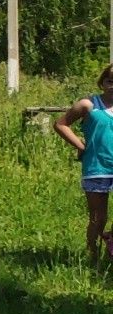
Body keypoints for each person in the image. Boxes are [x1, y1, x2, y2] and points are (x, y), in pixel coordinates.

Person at [54, 64, 113, 263]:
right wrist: (80, 145)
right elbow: (61, 124)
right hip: (97, 168)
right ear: (102, 82)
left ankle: (110, 249)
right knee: (98, 217)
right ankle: (92, 255)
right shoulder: (89, 105)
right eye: (109, 80)